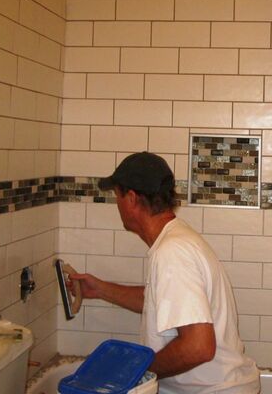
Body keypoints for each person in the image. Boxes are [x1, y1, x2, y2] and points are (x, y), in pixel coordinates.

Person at [70, 152, 260, 394]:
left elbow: (198, 347)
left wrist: (138, 372)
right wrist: (99, 290)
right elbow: (165, 303)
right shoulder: (175, 239)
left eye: (117, 195)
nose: (116, 204)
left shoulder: (172, 252)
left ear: (131, 198)